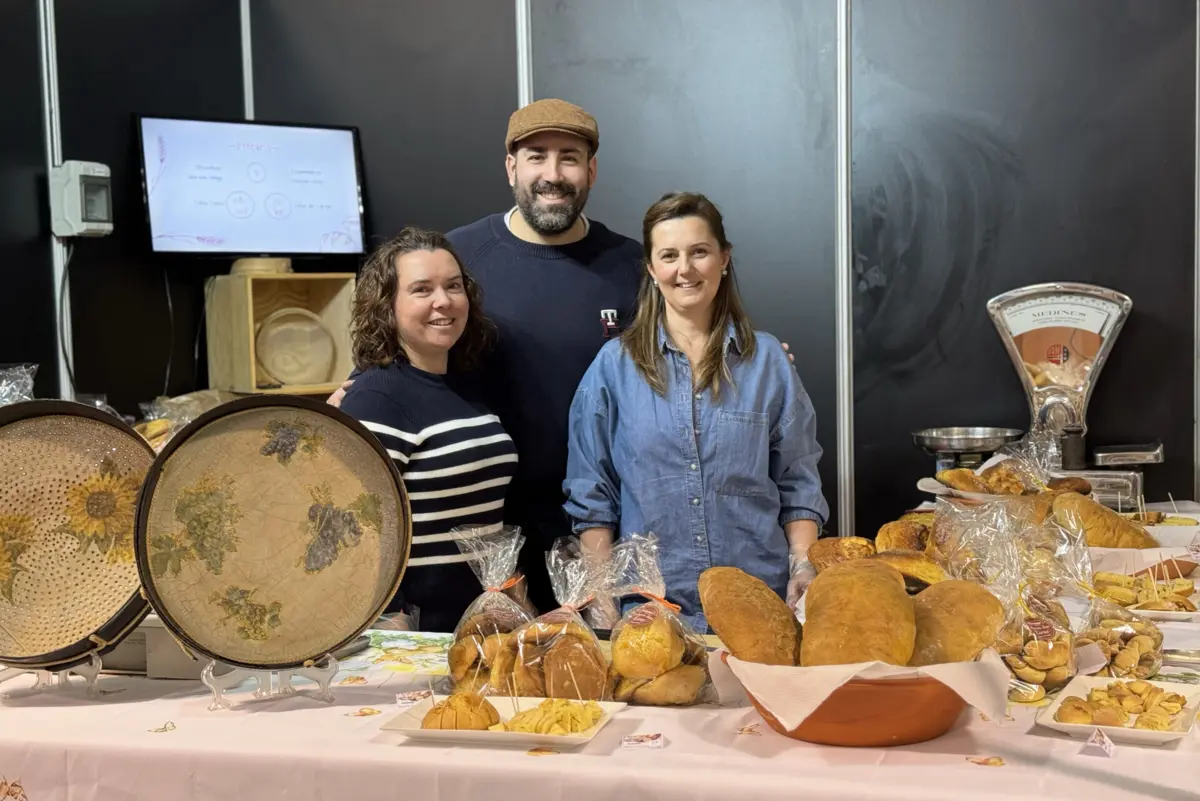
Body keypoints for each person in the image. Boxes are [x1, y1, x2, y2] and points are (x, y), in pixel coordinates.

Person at [332, 99, 644, 614]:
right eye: (536, 156)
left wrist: (744, 357)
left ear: (590, 170)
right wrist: (352, 393)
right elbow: (399, 360)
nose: (552, 173)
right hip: (493, 534)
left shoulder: (630, 264)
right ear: (510, 167)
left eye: (569, 157)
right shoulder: (461, 256)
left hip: (609, 529)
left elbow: (683, 346)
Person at [563, 192, 828, 634]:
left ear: (724, 258)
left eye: (699, 252)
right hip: (649, 614)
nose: (684, 269)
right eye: (669, 255)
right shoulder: (613, 367)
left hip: (759, 608)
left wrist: (803, 565)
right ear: (651, 269)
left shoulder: (767, 363)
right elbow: (592, 494)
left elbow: (798, 482)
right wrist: (602, 592)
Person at [337, 227, 518, 634]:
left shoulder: (465, 384)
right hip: (418, 636)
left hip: (482, 626)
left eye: (453, 286)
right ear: (387, 305)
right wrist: (391, 618)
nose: (444, 301)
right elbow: (355, 531)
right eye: (422, 289)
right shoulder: (376, 398)